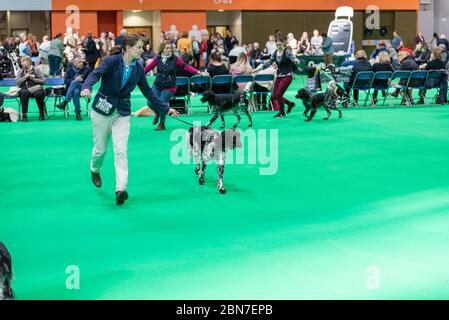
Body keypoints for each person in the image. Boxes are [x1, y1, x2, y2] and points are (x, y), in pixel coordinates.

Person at [80, 34, 179, 205]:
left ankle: (121, 189)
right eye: (139, 47)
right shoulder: (111, 61)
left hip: (122, 113)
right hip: (102, 109)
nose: (143, 50)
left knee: (121, 150)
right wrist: (87, 87)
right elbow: (95, 75)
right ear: (127, 48)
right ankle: (94, 169)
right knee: (100, 150)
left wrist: (167, 108)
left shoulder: (138, 68)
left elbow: (149, 93)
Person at [144, 41, 201, 130]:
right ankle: (157, 113)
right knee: (149, 102)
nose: (168, 50)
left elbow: (186, 66)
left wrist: (197, 71)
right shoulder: (157, 58)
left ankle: (162, 124)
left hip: (170, 86)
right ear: (162, 49)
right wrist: (140, 74)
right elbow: (149, 67)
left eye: (170, 48)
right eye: (166, 48)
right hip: (157, 84)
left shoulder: (175, 59)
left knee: (162, 103)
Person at [254, 37, 298, 118]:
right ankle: (290, 104)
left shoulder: (287, 51)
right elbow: (268, 63)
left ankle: (282, 113)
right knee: (274, 96)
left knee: (278, 95)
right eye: (277, 45)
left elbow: (293, 58)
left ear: (283, 44)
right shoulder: (275, 53)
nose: (278, 46)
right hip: (279, 75)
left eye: (280, 45)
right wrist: (256, 70)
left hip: (287, 75)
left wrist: (296, 60)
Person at [16, 55, 46, 121]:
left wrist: (34, 79)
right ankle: (24, 114)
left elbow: (43, 81)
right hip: (25, 89)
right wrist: (25, 77)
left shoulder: (36, 70)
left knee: (38, 94)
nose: (22, 63)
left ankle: (41, 113)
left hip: (36, 88)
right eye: (21, 61)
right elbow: (17, 83)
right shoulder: (20, 71)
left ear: (29, 61)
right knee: (24, 93)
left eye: (23, 61)